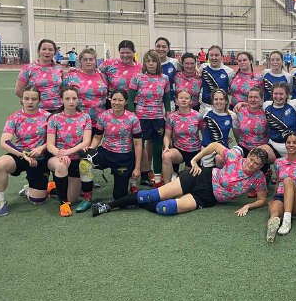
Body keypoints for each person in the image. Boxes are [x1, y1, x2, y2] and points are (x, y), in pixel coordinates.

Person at [91, 142, 268, 217]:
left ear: (261, 167)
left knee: (164, 208)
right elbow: (214, 145)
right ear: (249, 156)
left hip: (207, 197)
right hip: (201, 178)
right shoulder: (234, 157)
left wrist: (248, 206)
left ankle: (136, 203)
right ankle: (107, 206)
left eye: (257, 164)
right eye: (251, 160)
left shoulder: (258, 178)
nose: (252, 165)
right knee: (151, 195)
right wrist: (194, 160)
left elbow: (262, 199)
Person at [77, 89, 142, 210]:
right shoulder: (103, 116)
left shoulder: (133, 119)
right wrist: (91, 148)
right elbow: (97, 137)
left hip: (123, 157)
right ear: (110, 100)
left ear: (126, 102)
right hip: (105, 152)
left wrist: (137, 167)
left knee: (119, 199)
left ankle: (130, 185)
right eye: (114, 99)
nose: (117, 103)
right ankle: (87, 198)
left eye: (120, 100)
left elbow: (138, 144)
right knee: (84, 162)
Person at [0, 85, 50, 216]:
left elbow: (55, 140)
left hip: (39, 159)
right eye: (26, 98)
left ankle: (28, 189)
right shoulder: (14, 117)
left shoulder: (48, 117)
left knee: (38, 200)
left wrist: (41, 148)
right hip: (20, 155)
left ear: (39, 100)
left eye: (34, 99)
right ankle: (0, 202)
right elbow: (5, 141)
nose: (30, 102)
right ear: (21, 100)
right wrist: (23, 155)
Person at [46, 86, 92, 216]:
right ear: (62, 100)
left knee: (73, 198)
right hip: (57, 158)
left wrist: (69, 152)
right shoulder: (54, 118)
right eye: (67, 98)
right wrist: (60, 154)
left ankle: (53, 188)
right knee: (62, 165)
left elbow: (86, 142)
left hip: (75, 159)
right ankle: (63, 204)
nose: (71, 101)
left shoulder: (85, 117)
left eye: (74, 98)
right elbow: (49, 145)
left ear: (78, 99)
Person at [128, 50, 170, 186]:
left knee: (157, 149)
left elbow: (166, 98)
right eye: (148, 61)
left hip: (158, 119)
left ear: (158, 63)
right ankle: (133, 182)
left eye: (153, 61)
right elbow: (130, 99)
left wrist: (168, 112)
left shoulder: (164, 78)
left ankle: (157, 180)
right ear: (144, 63)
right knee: (137, 149)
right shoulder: (137, 77)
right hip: (140, 119)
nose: (151, 64)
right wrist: (132, 116)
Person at [266, 132, 296, 241]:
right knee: (274, 213)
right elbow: (278, 183)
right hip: (280, 196)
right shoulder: (278, 162)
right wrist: (273, 198)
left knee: (288, 181)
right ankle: (270, 231)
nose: (291, 145)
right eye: (288, 142)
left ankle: (286, 221)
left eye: (295, 142)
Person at [259, 82, 296, 164]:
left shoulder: (295, 104)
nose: (278, 97)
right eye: (275, 94)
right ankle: (266, 171)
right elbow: (253, 105)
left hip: (292, 146)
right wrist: (241, 103)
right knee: (259, 154)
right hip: (273, 146)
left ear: (287, 95)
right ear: (272, 94)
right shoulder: (266, 105)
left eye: (281, 94)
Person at [63, 47, 108, 131]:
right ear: (80, 61)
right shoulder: (72, 77)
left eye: (91, 59)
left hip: (100, 121)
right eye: (85, 59)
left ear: (95, 61)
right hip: (78, 121)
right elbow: (63, 96)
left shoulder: (103, 76)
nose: (88, 62)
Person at [161, 89, 202, 181]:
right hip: (179, 151)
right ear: (176, 101)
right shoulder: (172, 117)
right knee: (166, 155)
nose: (183, 100)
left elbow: (204, 134)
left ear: (191, 101)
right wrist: (166, 147)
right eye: (181, 98)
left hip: (195, 151)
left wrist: (203, 151)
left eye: (186, 98)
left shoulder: (198, 116)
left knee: (188, 180)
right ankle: (167, 186)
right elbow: (167, 136)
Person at [16, 38, 63, 112]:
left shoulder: (59, 68)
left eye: (50, 50)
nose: (47, 52)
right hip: (36, 110)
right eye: (44, 49)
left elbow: (63, 88)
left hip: (57, 109)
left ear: (54, 52)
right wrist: (30, 102)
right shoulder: (28, 68)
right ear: (38, 51)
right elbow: (19, 91)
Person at [199, 89, 234, 166]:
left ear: (226, 101)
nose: (218, 101)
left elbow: (235, 133)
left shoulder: (231, 115)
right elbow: (202, 127)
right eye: (216, 99)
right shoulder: (207, 112)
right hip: (207, 148)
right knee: (207, 171)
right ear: (212, 101)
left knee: (220, 161)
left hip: (222, 148)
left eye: (221, 99)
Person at [199, 45, 235, 112]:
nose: (213, 58)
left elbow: (231, 90)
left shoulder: (229, 71)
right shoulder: (203, 67)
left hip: (222, 109)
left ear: (221, 56)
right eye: (211, 55)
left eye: (216, 55)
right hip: (205, 108)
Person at [154, 37, 180, 102]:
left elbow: (187, 70)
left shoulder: (174, 62)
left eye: (164, 47)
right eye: (158, 46)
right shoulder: (149, 63)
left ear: (168, 49)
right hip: (153, 101)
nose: (161, 49)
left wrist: (196, 69)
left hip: (169, 100)